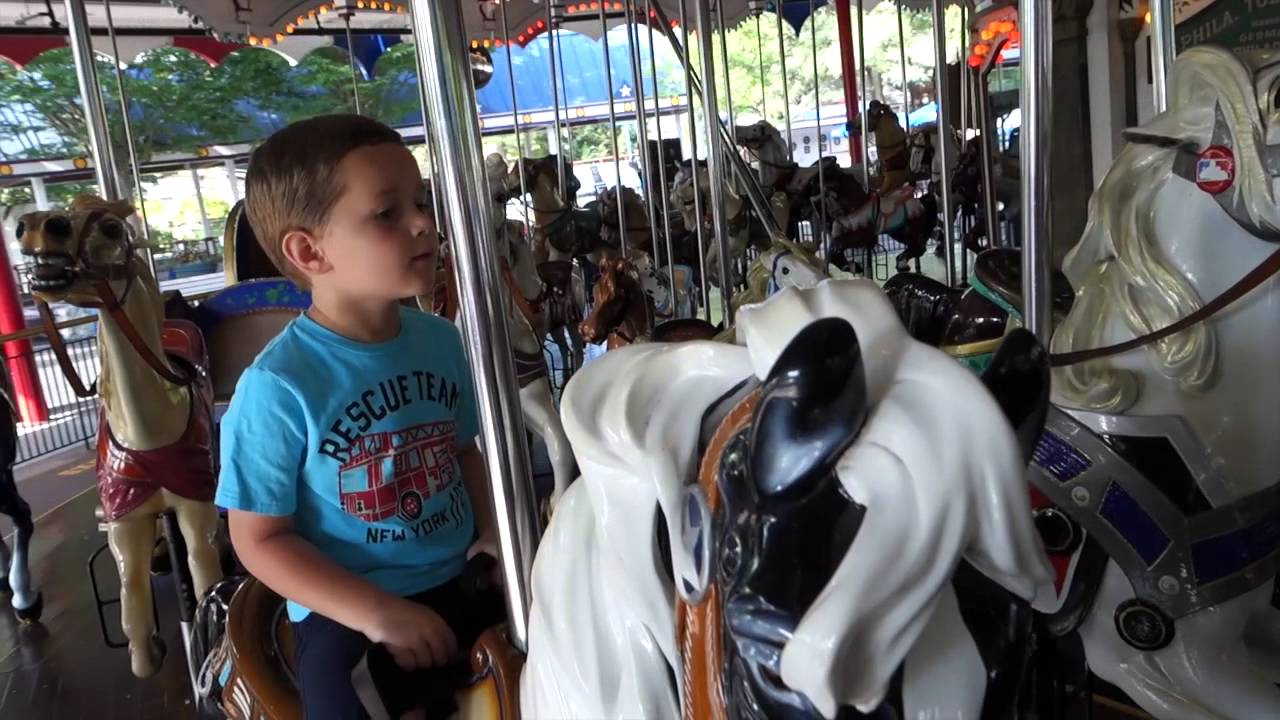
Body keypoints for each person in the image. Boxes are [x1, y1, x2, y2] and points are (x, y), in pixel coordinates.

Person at [216, 114, 503, 720]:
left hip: (464, 573)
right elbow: (259, 539)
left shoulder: (439, 340)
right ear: (308, 250)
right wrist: (379, 613)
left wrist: (491, 533)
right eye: (387, 213)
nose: (424, 222)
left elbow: (460, 451)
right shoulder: (277, 386)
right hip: (352, 609)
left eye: (421, 202)